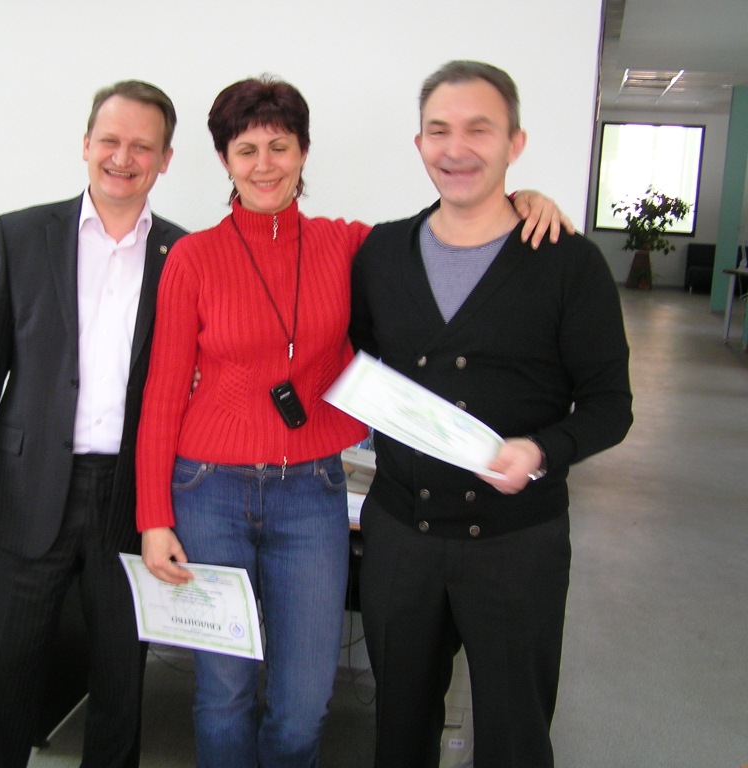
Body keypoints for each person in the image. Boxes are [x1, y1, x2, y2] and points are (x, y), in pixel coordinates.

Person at [136, 75, 569, 768]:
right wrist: (154, 519)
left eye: (280, 146)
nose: (265, 165)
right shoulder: (193, 258)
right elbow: (162, 394)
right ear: (224, 160)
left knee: (304, 704)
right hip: (206, 492)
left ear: (304, 152)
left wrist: (520, 200)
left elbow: (445, 234)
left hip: (311, 494)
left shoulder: (349, 246)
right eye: (246, 150)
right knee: (223, 694)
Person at [348, 60, 633, 767]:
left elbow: (610, 405)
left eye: (479, 129)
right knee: (399, 728)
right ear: (419, 143)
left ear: (515, 143)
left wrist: (541, 450)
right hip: (401, 537)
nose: (456, 148)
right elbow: (358, 363)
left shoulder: (567, 262)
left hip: (517, 544)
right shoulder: (381, 252)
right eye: (439, 130)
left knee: (515, 733)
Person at [0, 80, 185, 768]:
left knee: (121, 680)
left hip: (131, 498)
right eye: (110, 140)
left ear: (165, 159)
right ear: (86, 144)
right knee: (6, 675)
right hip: (30, 484)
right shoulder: (21, 235)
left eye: (142, 146)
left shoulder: (185, 255)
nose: (122, 157)